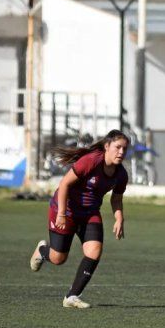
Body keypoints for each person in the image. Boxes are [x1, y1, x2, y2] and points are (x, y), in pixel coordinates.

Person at [28, 130, 130, 308]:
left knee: (94, 251)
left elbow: (116, 198)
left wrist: (119, 218)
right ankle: (43, 251)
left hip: (90, 213)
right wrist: (61, 213)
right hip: (65, 210)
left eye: (125, 149)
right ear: (107, 146)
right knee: (58, 258)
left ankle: (72, 296)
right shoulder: (91, 161)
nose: (121, 152)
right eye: (118, 147)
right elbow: (64, 184)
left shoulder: (121, 174)